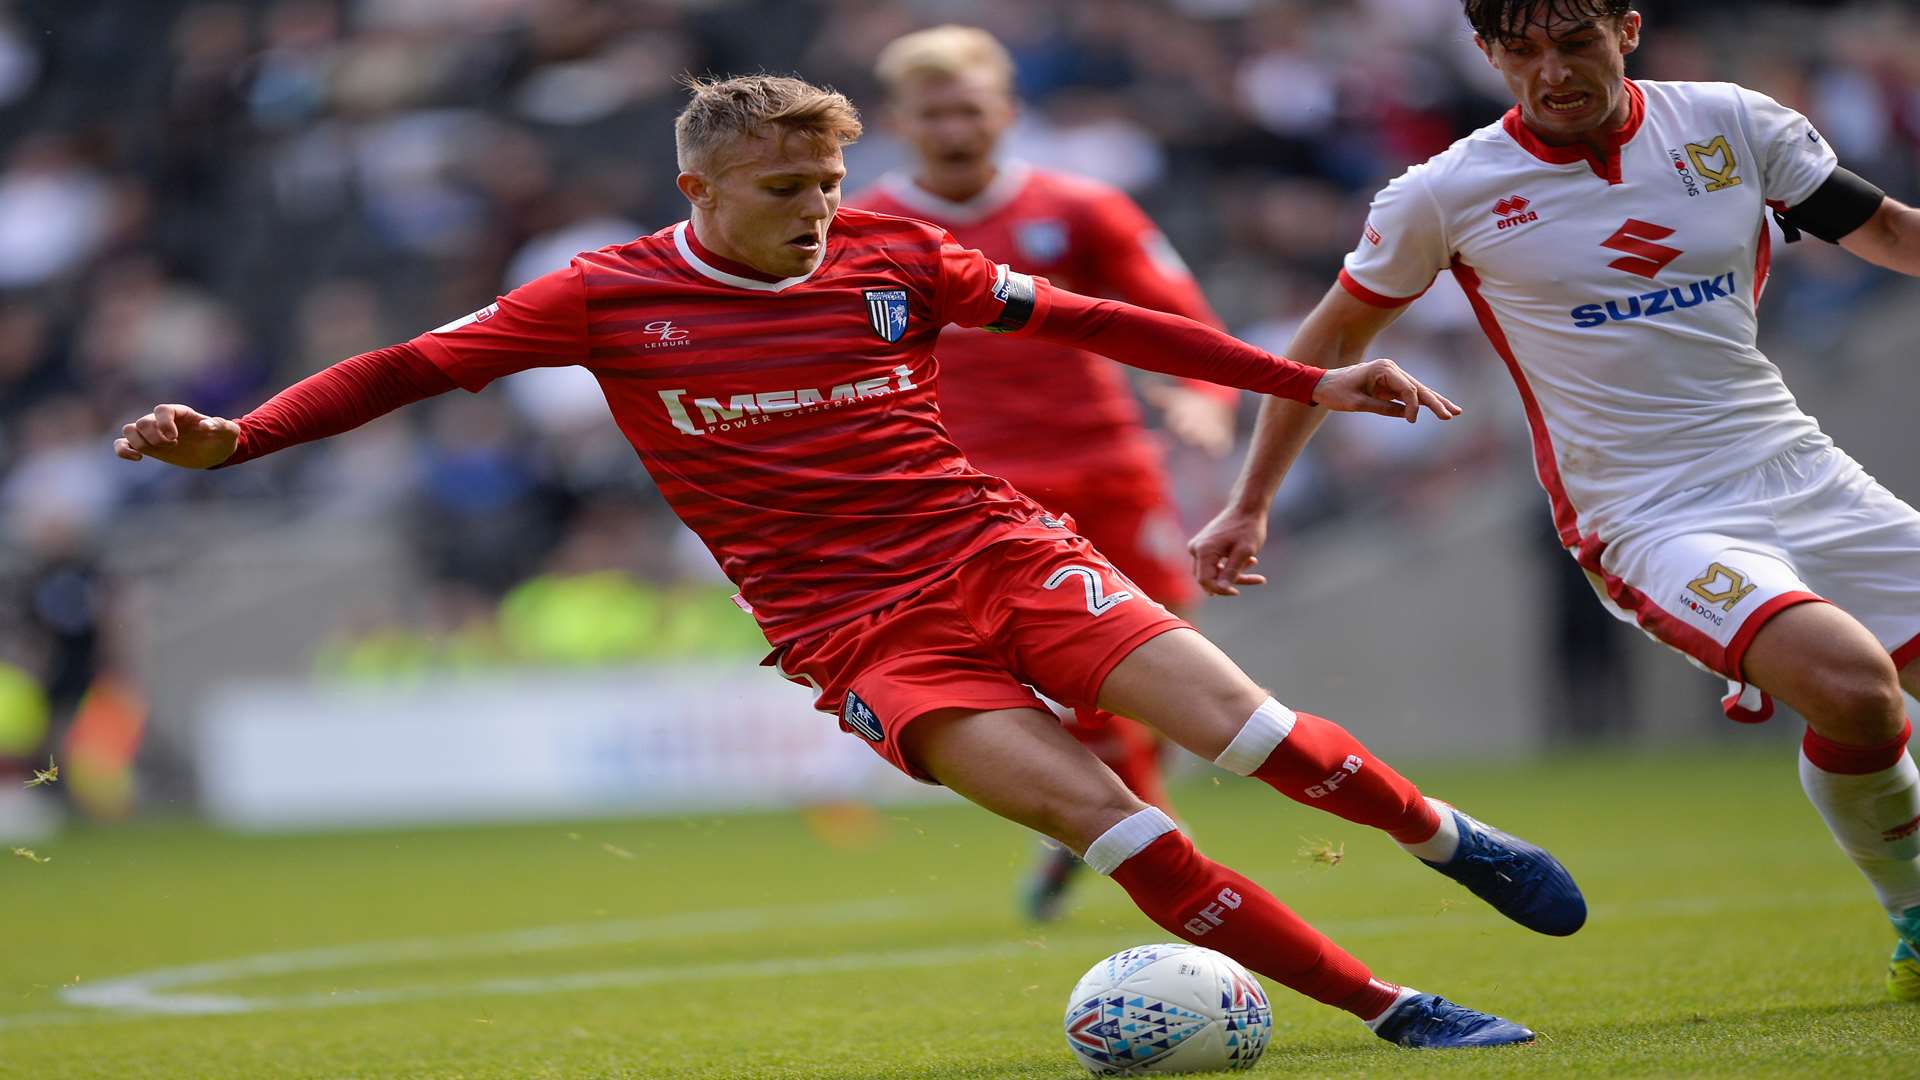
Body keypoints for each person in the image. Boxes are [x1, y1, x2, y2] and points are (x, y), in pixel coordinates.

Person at [116, 73, 1580, 1050]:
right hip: (860, 638)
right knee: (1118, 832)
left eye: (826, 180)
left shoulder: (894, 256)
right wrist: (236, 442)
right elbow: (403, 370)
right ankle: (1393, 1011)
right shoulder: (606, 298)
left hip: (997, 547)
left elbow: (1092, 322)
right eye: (782, 191)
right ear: (700, 186)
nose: (816, 210)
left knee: (1246, 734)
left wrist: (1303, 381)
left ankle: (1448, 841)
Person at [1188, 0, 1920, 1003]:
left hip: (1801, 469)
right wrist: (1250, 501)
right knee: (1850, 684)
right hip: (1648, 514)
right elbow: (1325, 347)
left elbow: (1880, 229)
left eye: (1574, 41)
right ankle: (1915, 918)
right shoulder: (1446, 192)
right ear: (1487, 54)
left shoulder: (1733, 123)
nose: (1553, 71)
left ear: (1626, 29)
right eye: (1521, 50)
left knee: (1868, 692)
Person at [848, 25, 1235, 922]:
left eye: (970, 108)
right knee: (1076, 678)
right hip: (970, 491)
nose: (954, 128)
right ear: (900, 122)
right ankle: (1151, 844)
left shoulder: (1084, 208)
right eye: (933, 112)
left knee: (1166, 665)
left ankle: (1099, 826)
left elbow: (1175, 316)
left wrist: (1199, 398)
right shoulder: (861, 228)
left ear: (1008, 111)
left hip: (1106, 464)